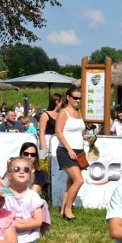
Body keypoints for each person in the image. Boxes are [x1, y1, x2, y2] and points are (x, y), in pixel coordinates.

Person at [56, 86, 86, 221]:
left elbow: (79, 132)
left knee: (71, 183)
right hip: (66, 151)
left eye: (80, 98)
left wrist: (87, 137)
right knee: (79, 180)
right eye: (75, 98)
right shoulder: (64, 112)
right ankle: (68, 209)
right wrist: (69, 149)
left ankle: (62, 211)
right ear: (68, 97)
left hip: (79, 151)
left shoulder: (79, 113)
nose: (78, 100)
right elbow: (58, 132)